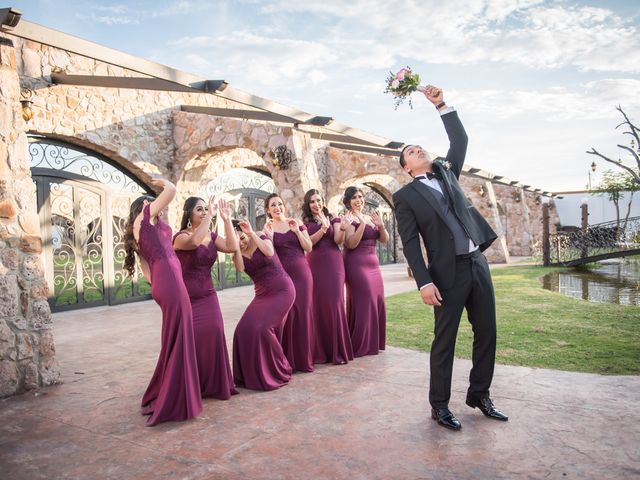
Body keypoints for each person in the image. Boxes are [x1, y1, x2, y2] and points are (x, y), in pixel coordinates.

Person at [392, 85, 508, 431]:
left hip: (476, 263)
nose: (418, 149)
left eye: (418, 146)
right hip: (446, 274)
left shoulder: (446, 171)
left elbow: (460, 141)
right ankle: (439, 405)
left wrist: (440, 105)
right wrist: (424, 280)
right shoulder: (405, 197)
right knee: (445, 339)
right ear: (407, 168)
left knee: (487, 331)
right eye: (411, 151)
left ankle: (480, 394)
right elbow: (410, 243)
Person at [123, 178, 202, 426]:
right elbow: (172, 191)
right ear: (141, 209)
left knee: (178, 333)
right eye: (148, 203)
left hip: (168, 278)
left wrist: (158, 282)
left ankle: (174, 390)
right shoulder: (142, 222)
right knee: (180, 333)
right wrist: (165, 183)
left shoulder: (153, 227)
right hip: (169, 279)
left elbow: (146, 267)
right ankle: (174, 396)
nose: (153, 205)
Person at [173, 196, 238, 400]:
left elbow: (231, 246)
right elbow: (193, 242)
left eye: (205, 209)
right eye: (199, 209)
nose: (203, 212)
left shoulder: (211, 235)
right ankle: (192, 384)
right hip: (188, 298)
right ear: (189, 214)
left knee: (214, 333)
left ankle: (214, 383)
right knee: (193, 339)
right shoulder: (180, 237)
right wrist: (210, 214)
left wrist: (226, 220)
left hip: (208, 295)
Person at [232, 220, 295, 390]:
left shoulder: (259, 235)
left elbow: (268, 251)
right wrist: (236, 247)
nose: (241, 239)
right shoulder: (237, 253)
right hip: (262, 295)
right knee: (242, 330)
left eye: (241, 235)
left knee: (262, 329)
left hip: (283, 290)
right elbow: (239, 268)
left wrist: (252, 233)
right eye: (236, 237)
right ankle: (251, 374)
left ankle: (278, 368)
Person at [302, 189, 354, 365]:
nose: (316, 204)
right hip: (315, 264)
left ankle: (337, 350)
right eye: (312, 202)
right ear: (308, 205)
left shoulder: (334, 218)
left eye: (318, 200)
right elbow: (308, 244)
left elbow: (338, 240)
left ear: (323, 201)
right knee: (317, 304)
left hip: (333, 265)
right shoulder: (305, 222)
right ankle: (320, 351)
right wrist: (323, 229)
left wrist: (344, 228)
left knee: (335, 302)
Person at [342, 186, 388, 357]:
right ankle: (360, 344)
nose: (358, 200)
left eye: (361, 197)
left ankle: (374, 342)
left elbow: (384, 240)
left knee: (377, 300)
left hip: (374, 267)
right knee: (365, 302)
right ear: (348, 201)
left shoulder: (371, 217)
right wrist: (361, 223)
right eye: (354, 197)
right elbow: (350, 243)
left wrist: (381, 226)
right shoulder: (346, 219)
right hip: (356, 266)